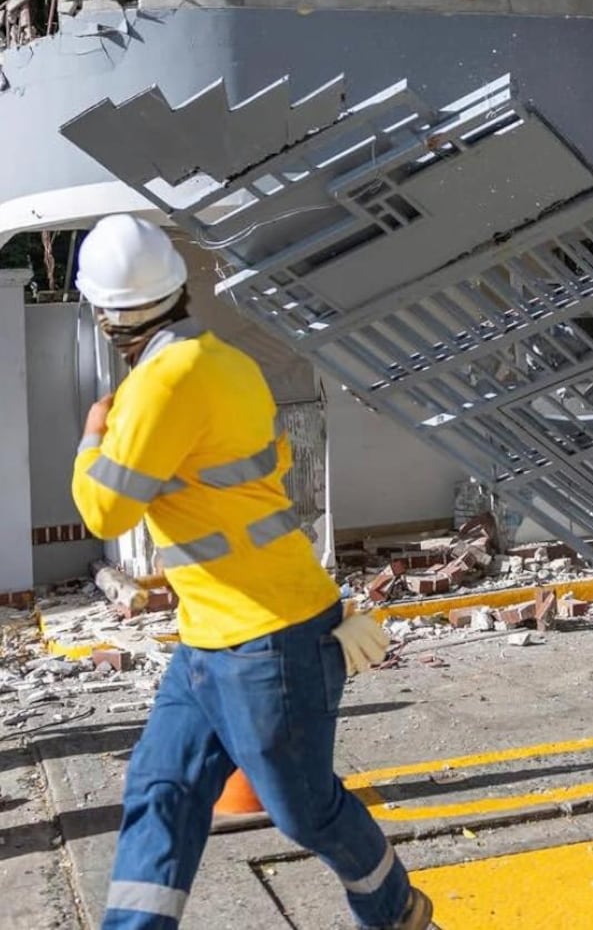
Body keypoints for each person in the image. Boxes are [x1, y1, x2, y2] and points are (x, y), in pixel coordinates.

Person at [71, 214, 432, 930]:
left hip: (270, 636)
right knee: (162, 787)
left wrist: (91, 439)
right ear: (175, 290)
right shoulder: (229, 362)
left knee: (305, 810)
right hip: (216, 634)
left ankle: (397, 912)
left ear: (106, 314)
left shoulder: (160, 384)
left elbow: (105, 512)